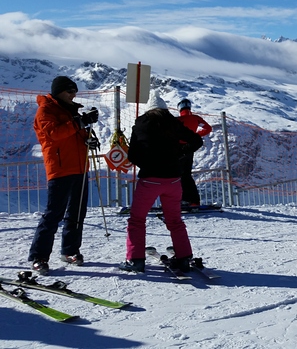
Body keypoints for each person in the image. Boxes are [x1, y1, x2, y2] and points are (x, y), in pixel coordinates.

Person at [119, 91, 204, 272]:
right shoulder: (173, 123)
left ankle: (135, 260)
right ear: (165, 109)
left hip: (150, 180)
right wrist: (180, 153)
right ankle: (183, 257)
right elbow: (197, 141)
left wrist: (147, 163)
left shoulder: (140, 125)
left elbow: (133, 155)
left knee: (137, 220)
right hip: (173, 180)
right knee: (175, 221)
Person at [28, 76, 99, 274]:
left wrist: (89, 139)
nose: (73, 95)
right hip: (59, 168)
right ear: (58, 91)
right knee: (53, 215)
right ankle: (38, 256)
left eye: (74, 91)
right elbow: (54, 134)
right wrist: (81, 121)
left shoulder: (71, 110)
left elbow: (76, 135)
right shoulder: (46, 110)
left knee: (77, 213)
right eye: (69, 91)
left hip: (79, 167)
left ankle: (70, 250)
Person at [176, 98, 213, 210]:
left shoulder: (177, 120)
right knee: (186, 175)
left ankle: (183, 199)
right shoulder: (196, 119)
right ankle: (193, 200)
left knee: (177, 175)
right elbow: (208, 128)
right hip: (190, 148)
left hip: (178, 149)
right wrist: (197, 135)